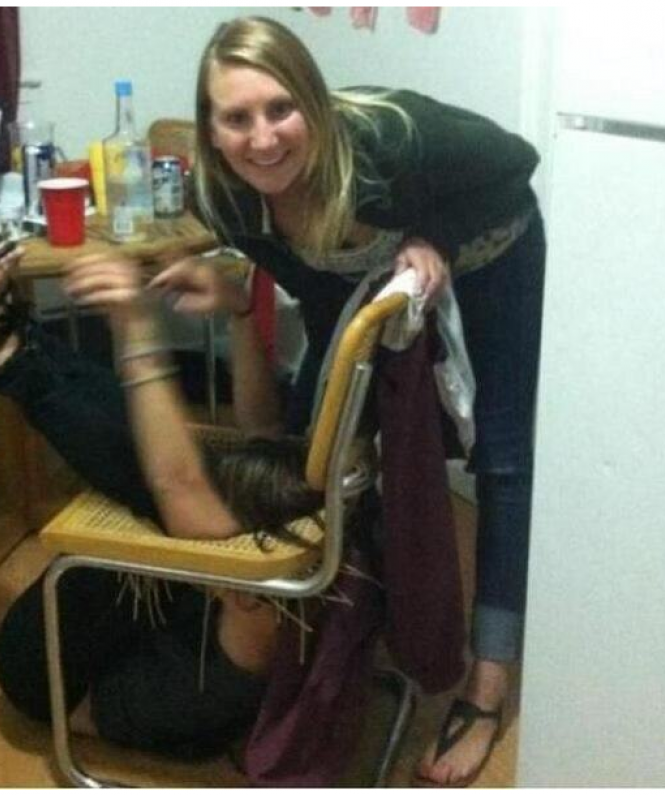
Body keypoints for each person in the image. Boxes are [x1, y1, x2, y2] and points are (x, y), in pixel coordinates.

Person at [151, 16, 546, 786]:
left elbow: (517, 162)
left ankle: (486, 685)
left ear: (314, 101)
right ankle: (328, 635)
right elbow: (311, 280)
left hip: (494, 251)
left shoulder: (387, 139)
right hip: (367, 277)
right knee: (314, 442)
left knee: (502, 461)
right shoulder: (224, 200)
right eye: (237, 117)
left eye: (280, 109)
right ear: (210, 128)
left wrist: (435, 234)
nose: (263, 138)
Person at [0, 238, 323, 759]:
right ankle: (7, 351)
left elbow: (178, 488)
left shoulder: (205, 674)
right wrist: (241, 312)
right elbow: (263, 431)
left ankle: (4, 355)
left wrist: (138, 329)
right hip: (153, 624)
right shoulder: (306, 512)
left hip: (48, 675)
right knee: (171, 460)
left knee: (159, 475)